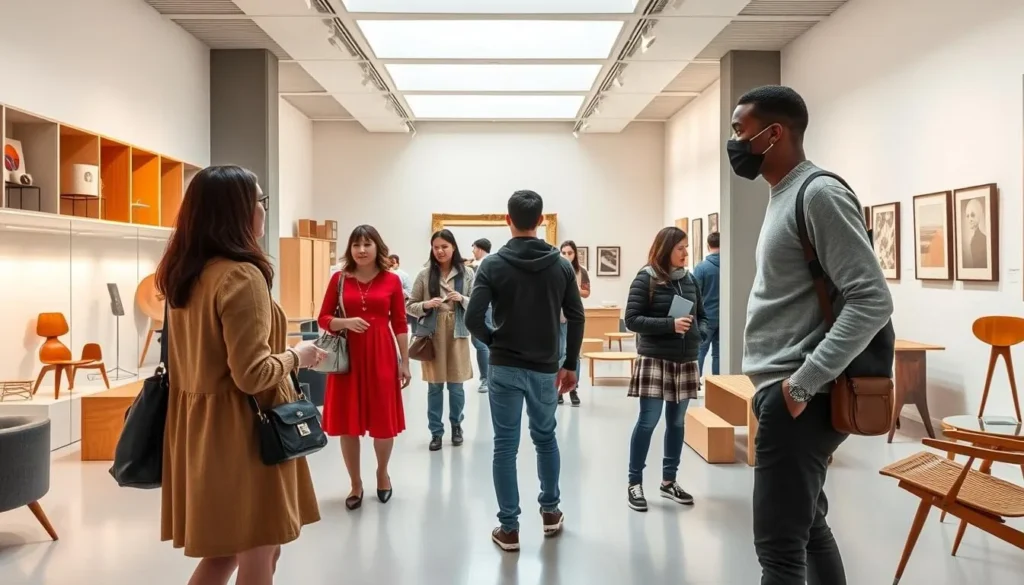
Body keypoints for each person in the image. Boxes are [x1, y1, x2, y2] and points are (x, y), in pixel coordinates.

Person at [730, 85, 892, 585]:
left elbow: (872, 298)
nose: (735, 142)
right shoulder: (784, 196)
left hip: (802, 395)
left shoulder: (818, 192)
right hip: (784, 391)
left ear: (773, 133)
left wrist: (800, 385)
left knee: (778, 551)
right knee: (808, 526)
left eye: (740, 130)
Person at [155, 165, 323, 584]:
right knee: (259, 552)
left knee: (230, 551)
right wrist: (297, 355)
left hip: (202, 430)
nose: (265, 211)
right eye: (260, 202)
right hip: (245, 433)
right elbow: (252, 374)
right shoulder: (241, 276)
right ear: (239, 212)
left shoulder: (187, 275)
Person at [466, 189, 584, 552]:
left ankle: (509, 529)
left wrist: (494, 340)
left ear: (507, 220)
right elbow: (577, 316)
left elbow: (472, 317)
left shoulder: (492, 265)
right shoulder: (561, 266)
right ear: (541, 221)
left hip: (504, 366)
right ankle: (550, 514)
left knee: (505, 446)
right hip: (546, 368)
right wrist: (569, 364)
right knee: (545, 438)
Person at [319, 226, 412, 511]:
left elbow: (398, 322)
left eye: (367, 244)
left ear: (377, 247)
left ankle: (382, 473)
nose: (361, 250)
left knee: (383, 423)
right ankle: (355, 483)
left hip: (382, 353)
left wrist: (404, 360)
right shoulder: (339, 279)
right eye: (356, 244)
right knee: (349, 423)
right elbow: (323, 318)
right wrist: (345, 323)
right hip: (349, 358)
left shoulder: (391, 281)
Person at [623, 226, 704, 512]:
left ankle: (669, 482)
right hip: (655, 360)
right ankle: (635, 483)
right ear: (666, 248)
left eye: (686, 247)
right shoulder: (646, 278)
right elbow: (631, 319)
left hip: (685, 361)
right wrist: (669, 325)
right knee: (648, 421)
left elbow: (703, 316)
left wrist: (698, 334)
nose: (685, 252)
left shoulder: (690, 279)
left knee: (677, 423)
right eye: (681, 247)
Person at [407, 229, 474, 451]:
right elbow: (410, 305)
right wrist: (426, 305)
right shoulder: (424, 275)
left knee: (456, 386)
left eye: (444, 246)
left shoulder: (467, 274)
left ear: (453, 247)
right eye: (436, 247)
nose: (440, 251)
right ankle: (436, 432)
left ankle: (457, 426)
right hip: (432, 335)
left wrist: (462, 298)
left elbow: (478, 304)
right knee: (434, 387)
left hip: (458, 333)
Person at [557, 240, 590, 406]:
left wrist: (574, 289)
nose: (567, 256)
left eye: (570, 253)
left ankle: (574, 388)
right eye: (564, 253)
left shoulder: (581, 271)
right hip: (558, 317)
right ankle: (559, 390)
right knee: (559, 352)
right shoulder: (557, 269)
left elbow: (586, 292)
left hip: (573, 316)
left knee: (574, 353)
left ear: (575, 253)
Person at [692, 231, 721, 376]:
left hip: (706, 316)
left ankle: (695, 382)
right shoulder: (730, 266)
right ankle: (719, 383)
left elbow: (694, 295)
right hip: (726, 317)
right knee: (719, 354)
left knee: (700, 350)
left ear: (708, 246)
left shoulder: (701, 268)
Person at [470, 238, 493, 392]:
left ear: (479, 248)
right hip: (487, 307)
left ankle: (486, 379)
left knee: (480, 343)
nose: (472, 252)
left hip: (483, 308)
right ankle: (488, 377)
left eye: (473, 249)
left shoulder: (482, 265)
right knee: (482, 342)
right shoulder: (491, 263)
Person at [389, 253, 416, 331]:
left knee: (400, 328)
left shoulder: (404, 275)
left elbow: (409, 292)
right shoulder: (383, 275)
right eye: (390, 262)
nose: (391, 264)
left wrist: (397, 290)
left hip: (400, 304)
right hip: (387, 307)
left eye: (393, 262)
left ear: (398, 263)